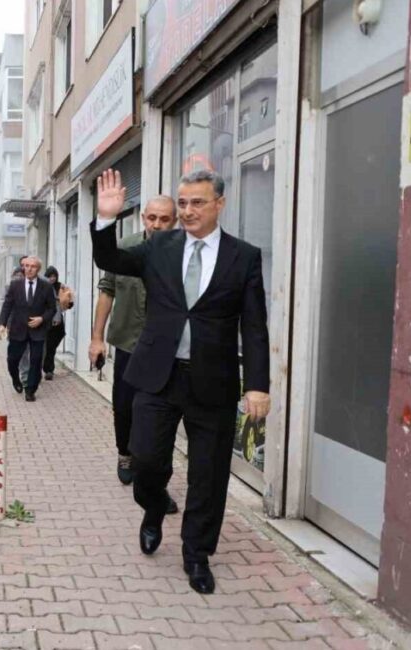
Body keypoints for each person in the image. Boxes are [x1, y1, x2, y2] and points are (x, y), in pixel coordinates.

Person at [90, 168, 270, 595]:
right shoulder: (159, 247)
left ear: (219, 204)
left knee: (209, 476)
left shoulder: (243, 257)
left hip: (213, 382)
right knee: (147, 461)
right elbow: (110, 261)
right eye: (183, 203)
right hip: (157, 376)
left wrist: (257, 384)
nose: (187, 211)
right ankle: (153, 508)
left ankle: (196, 553)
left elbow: (255, 325)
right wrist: (106, 220)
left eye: (197, 203)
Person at [89, 196, 182, 521]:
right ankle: (124, 453)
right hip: (129, 343)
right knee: (124, 406)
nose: (157, 225)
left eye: (165, 219)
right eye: (152, 218)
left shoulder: (184, 254)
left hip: (167, 350)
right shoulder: (124, 248)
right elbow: (106, 291)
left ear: (175, 221)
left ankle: (156, 488)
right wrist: (97, 338)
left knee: (161, 421)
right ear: (143, 218)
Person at [0, 256, 56, 403]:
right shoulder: (15, 285)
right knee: (12, 360)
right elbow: (7, 306)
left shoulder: (46, 286)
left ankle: (30, 390)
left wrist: (42, 319)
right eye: (27, 266)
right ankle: (16, 380)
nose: (29, 269)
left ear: (38, 269)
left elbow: (52, 308)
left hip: (38, 330)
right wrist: (2, 324)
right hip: (18, 329)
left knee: (36, 361)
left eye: (33, 266)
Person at [41, 267, 73, 381]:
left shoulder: (61, 287)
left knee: (52, 346)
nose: (52, 278)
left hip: (58, 322)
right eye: (50, 276)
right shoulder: (42, 287)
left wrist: (67, 300)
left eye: (54, 276)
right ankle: (48, 370)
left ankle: (47, 368)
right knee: (47, 347)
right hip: (46, 321)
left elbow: (69, 304)